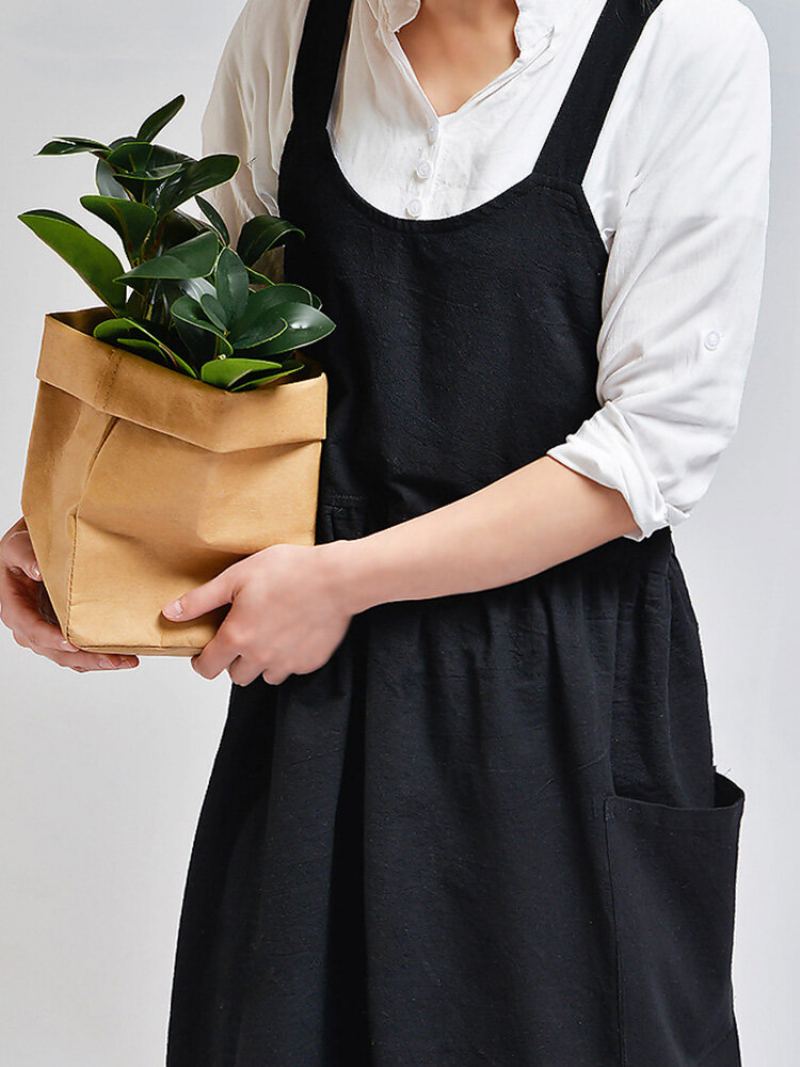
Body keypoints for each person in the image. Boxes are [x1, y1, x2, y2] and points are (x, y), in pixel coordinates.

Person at [1, 0, 771, 1062]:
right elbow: (211, 342)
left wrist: (342, 581)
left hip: (559, 694)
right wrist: (72, 526)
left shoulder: (683, 44)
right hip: (326, 708)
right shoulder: (293, 25)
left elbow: (652, 448)